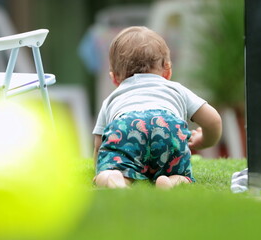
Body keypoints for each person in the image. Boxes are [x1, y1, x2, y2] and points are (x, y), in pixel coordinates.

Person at [92, 26, 222, 189]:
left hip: (126, 124)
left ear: (114, 78)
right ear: (167, 71)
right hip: (167, 126)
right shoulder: (176, 89)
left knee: (112, 169)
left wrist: (103, 167)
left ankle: (116, 178)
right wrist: (204, 141)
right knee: (181, 175)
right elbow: (213, 120)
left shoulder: (112, 98)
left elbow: (100, 143)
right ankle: (170, 180)